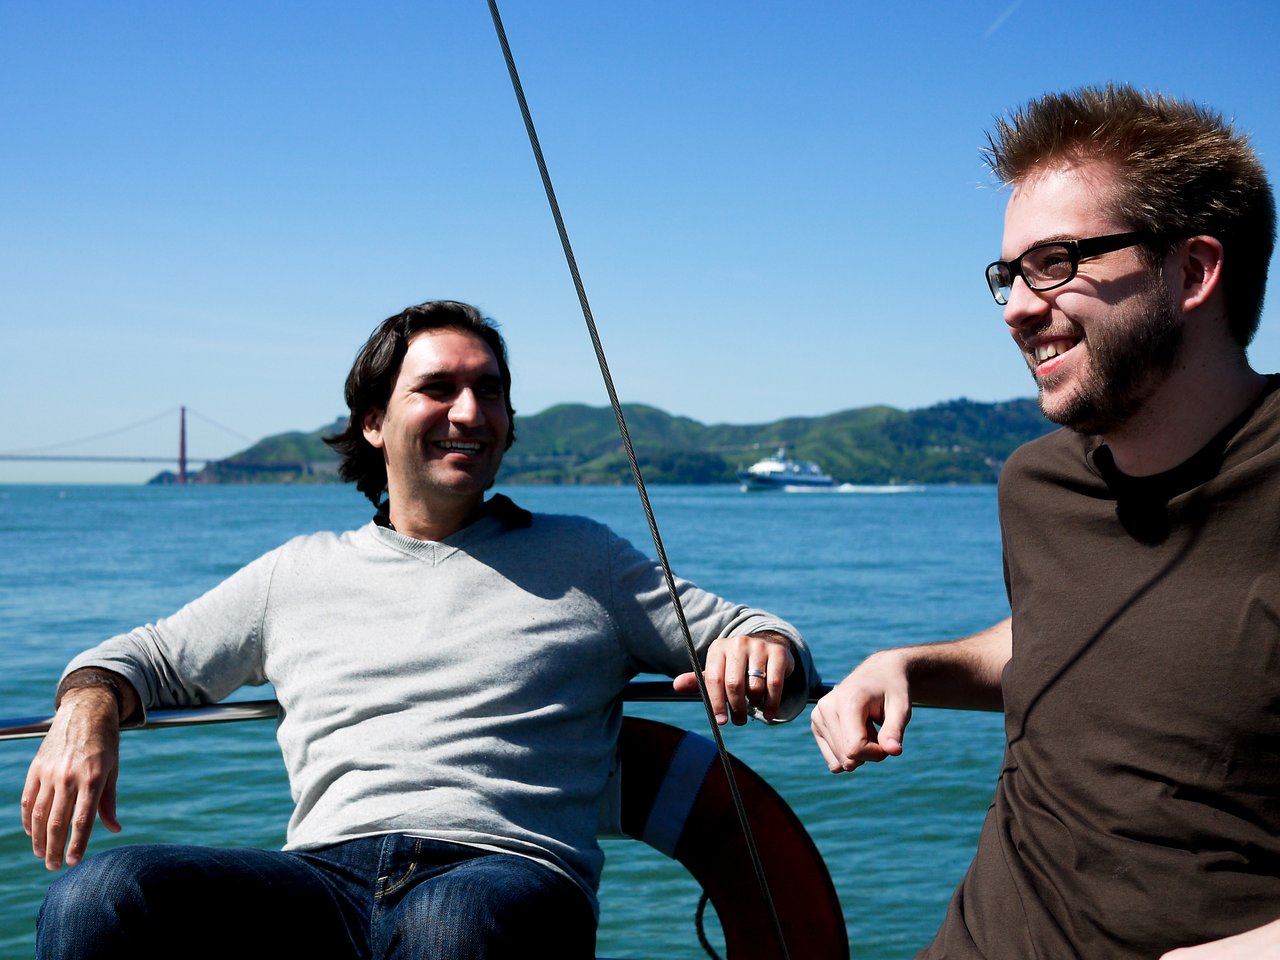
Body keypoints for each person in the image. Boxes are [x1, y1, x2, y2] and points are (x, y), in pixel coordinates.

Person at [25, 299, 817, 960]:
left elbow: (755, 634)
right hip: (321, 885)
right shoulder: (295, 573)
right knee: (98, 895)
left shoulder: (587, 560)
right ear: (373, 422)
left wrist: (761, 647)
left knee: (453, 922)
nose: (469, 413)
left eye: (490, 392)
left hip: (507, 877)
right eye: (438, 388)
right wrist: (89, 705)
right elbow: (147, 657)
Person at [811, 85, 1279, 959]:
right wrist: (909, 662)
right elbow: (1064, 636)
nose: (1017, 308)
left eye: (1057, 262)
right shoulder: (1036, 485)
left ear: (1194, 272)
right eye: (1009, 275)